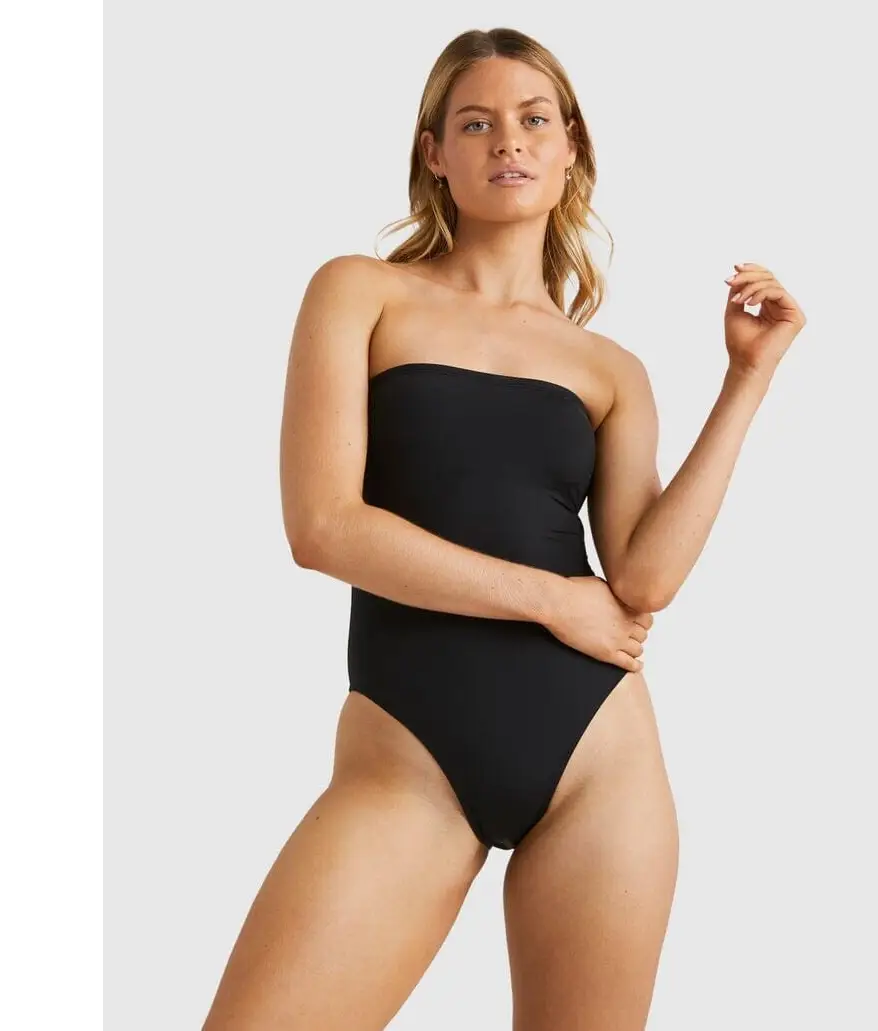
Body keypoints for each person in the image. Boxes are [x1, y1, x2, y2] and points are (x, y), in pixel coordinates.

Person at [202, 25, 806, 1031]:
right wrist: (548, 598)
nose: (508, 141)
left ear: (570, 147)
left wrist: (746, 377)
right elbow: (323, 526)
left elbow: (643, 580)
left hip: (597, 759)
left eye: (532, 120)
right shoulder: (360, 291)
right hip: (407, 749)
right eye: (475, 123)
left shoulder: (609, 368)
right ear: (434, 153)